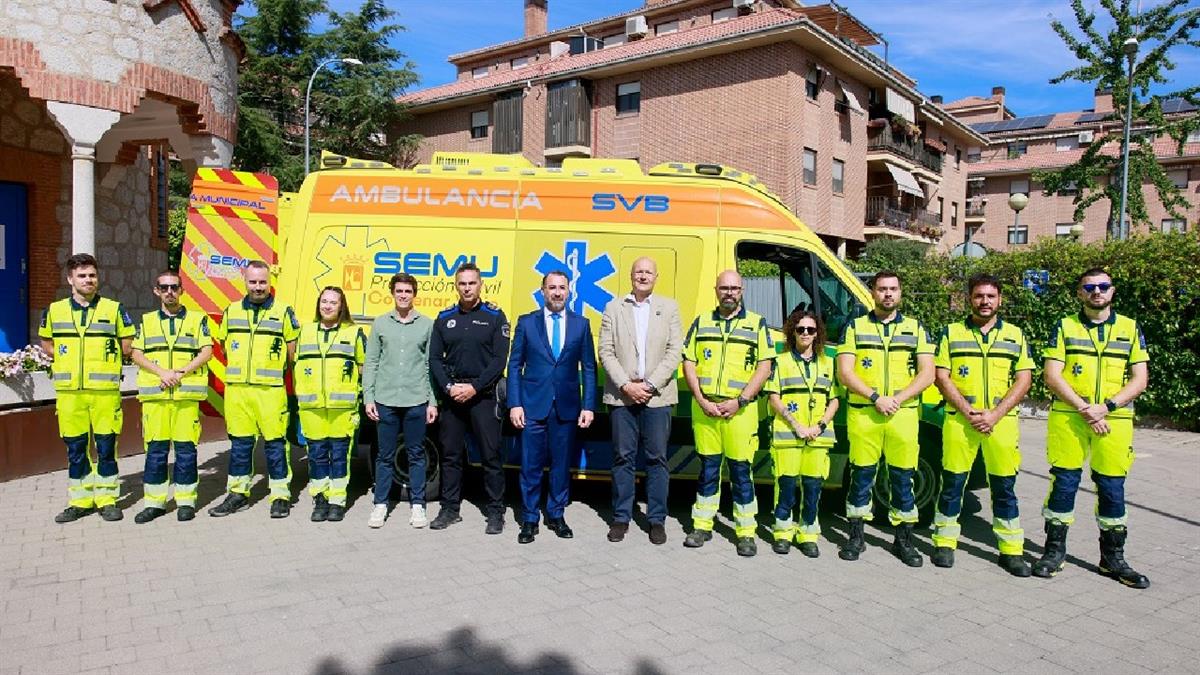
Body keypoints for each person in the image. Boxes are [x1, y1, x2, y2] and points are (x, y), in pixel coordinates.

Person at [1035, 268, 1150, 588]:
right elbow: (1052, 375)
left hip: (1114, 422)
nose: (1097, 292)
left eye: (1103, 286)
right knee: (1064, 485)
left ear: (1112, 291)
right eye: (1089, 287)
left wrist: (1106, 407)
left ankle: (1112, 559)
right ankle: (1053, 552)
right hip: (1070, 419)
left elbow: (1140, 378)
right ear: (1079, 293)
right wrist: (1085, 409)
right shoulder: (1065, 326)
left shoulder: (1129, 328)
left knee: (1112, 488)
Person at [930, 274, 1033, 576]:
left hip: (1001, 424)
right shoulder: (951, 333)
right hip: (960, 422)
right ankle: (944, 543)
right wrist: (968, 411)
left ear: (999, 299)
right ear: (969, 299)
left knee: (1004, 488)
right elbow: (941, 376)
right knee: (952, 486)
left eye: (990, 296)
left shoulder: (1015, 335)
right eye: (978, 296)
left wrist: (995, 415)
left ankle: (1011, 551)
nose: (984, 301)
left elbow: (1023, 379)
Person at [835, 270, 934, 567]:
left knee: (903, 480)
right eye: (881, 289)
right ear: (873, 292)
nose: (887, 294)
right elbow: (845, 372)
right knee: (861, 478)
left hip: (902, 415)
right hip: (865, 413)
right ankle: (856, 537)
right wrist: (877, 398)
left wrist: (897, 400)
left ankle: (903, 540)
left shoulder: (917, 328)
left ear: (900, 293)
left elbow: (927, 373)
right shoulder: (854, 327)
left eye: (893, 289)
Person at [681, 270, 775, 557]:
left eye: (734, 288)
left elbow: (765, 366)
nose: (729, 293)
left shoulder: (757, 324)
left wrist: (741, 400)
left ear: (742, 290)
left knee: (741, 473)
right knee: (708, 471)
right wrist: (700, 399)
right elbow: (689, 361)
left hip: (740, 412)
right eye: (724, 288)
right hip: (706, 410)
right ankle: (702, 526)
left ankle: (745, 532)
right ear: (716, 290)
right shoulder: (702, 322)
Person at [40, 253, 136, 523]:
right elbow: (47, 343)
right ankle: (80, 501)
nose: (88, 280)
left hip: (105, 394)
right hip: (70, 394)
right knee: (76, 448)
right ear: (70, 279)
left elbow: (127, 343)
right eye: (82, 275)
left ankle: (107, 500)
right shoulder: (55, 310)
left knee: (106, 448)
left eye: (92, 275)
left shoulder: (114, 309)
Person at [507, 271, 597, 544]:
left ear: (569, 291)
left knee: (561, 466)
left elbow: (589, 369)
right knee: (530, 466)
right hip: (533, 406)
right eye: (552, 288)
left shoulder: (581, 325)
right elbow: (514, 365)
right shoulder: (527, 323)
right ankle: (530, 519)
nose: (557, 293)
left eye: (562, 288)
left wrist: (589, 405)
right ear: (542, 291)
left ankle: (556, 514)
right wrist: (515, 403)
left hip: (567, 408)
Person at [598, 257, 683, 545]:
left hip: (657, 398)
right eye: (638, 272)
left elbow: (675, 351)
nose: (643, 276)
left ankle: (656, 519)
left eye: (648, 271)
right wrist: (626, 385)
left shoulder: (669, 308)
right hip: (622, 397)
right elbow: (606, 351)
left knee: (657, 459)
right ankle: (621, 518)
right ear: (631, 276)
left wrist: (648, 384)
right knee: (622, 458)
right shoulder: (613, 308)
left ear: (656, 276)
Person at [208, 260, 300, 519]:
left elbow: (292, 352)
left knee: (275, 446)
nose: (258, 287)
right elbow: (225, 347)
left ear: (269, 282)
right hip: (238, 392)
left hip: (270, 391)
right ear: (245, 281)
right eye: (253, 282)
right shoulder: (231, 311)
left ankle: (280, 496)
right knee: (240, 445)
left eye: (262, 282)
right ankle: (237, 494)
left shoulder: (283, 312)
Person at [428, 262, 510, 534]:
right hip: (453, 397)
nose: (467, 288)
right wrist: (450, 387)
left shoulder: (494, 317)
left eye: (471, 283)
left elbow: (500, 360)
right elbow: (434, 360)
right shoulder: (444, 318)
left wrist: (474, 387)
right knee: (451, 456)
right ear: (456, 286)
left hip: (483, 397)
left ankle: (496, 512)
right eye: (462, 283)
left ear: (480, 285)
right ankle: (449, 509)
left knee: (491, 456)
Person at [129, 270, 213, 524]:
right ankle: (154, 504)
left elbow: (206, 351)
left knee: (186, 451)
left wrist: (180, 372)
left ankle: (186, 501)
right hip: (156, 397)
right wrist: (162, 373)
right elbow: (136, 354)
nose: (169, 292)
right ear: (156, 291)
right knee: (156, 452)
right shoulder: (146, 321)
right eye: (164, 288)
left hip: (186, 397)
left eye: (174, 287)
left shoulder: (198, 320)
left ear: (181, 290)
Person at [363, 273, 438, 529]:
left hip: (416, 399)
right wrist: (368, 398)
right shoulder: (381, 324)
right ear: (392, 293)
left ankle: (418, 506)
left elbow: (430, 365)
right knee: (384, 456)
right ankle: (380, 504)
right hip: (386, 400)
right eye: (399, 291)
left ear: (414, 294)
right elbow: (371, 362)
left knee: (416, 454)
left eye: (407, 291)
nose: (403, 295)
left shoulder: (427, 325)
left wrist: (432, 401)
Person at [764, 309, 840, 557]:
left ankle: (808, 534)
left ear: (818, 334)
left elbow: (835, 400)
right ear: (792, 332)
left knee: (813, 488)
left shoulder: (828, 363)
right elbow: (774, 397)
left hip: (817, 437)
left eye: (811, 329)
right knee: (785, 487)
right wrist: (796, 425)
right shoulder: (781, 361)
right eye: (800, 329)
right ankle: (783, 534)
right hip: (789, 435)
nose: (806, 333)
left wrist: (819, 426)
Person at [295, 286, 366, 523]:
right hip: (312, 408)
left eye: (333, 302)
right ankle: (320, 499)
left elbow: (365, 367)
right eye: (324, 301)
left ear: (341, 306)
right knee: (316, 455)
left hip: (342, 409)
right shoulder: (304, 332)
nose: (327, 306)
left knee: (339, 456)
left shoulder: (354, 333)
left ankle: (337, 501)